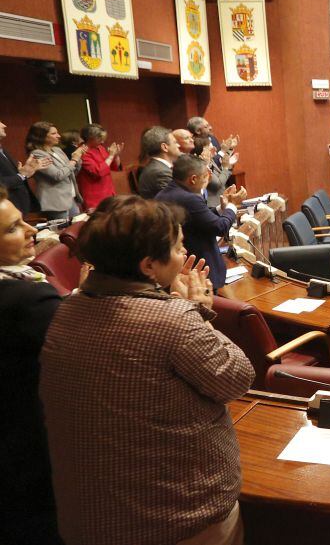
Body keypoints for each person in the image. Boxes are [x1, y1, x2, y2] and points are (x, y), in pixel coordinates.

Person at [40, 195, 254, 545]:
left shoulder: (67, 309)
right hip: (175, 521)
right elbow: (236, 378)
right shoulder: (172, 320)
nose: (184, 254)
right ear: (149, 266)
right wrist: (198, 312)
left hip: (91, 517)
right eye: (178, 247)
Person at [0, 185, 63, 545]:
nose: (30, 230)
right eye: (12, 228)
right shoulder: (24, 298)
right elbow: (85, 350)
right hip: (28, 446)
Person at [155, 155, 243, 291]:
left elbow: (198, 218)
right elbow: (220, 227)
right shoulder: (189, 198)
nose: (207, 180)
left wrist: (222, 208)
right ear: (193, 179)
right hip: (199, 269)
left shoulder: (162, 194)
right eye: (205, 176)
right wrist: (232, 206)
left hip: (182, 270)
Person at [26, 121, 83, 220]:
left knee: (77, 225)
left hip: (70, 197)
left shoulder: (57, 150)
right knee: (63, 228)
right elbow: (58, 175)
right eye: (54, 133)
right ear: (41, 136)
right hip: (55, 202)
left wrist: (78, 159)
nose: (58, 136)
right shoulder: (37, 154)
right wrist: (74, 160)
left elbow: (70, 173)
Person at [0, 118, 48, 215]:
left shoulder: (3, 150)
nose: (4, 125)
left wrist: (26, 171)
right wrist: (21, 175)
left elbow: (12, 176)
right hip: (7, 210)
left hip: (20, 207)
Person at [75, 123, 123, 211]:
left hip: (108, 191)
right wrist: (111, 156)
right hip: (95, 197)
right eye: (100, 139)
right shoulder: (83, 152)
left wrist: (116, 155)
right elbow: (98, 172)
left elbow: (113, 167)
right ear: (90, 138)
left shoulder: (100, 148)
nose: (102, 142)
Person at [136, 126, 181, 199]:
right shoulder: (161, 172)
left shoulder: (159, 167)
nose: (178, 145)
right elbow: (180, 200)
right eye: (175, 142)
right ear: (165, 147)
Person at [193, 136, 234, 209]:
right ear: (202, 152)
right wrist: (225, 168)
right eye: (210, 149)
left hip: (220, 203)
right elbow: (217, 184)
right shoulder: (200, 166)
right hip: (212, 206)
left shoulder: (211, 161)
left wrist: (229, 150)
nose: (215, 150)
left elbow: (221, 173)